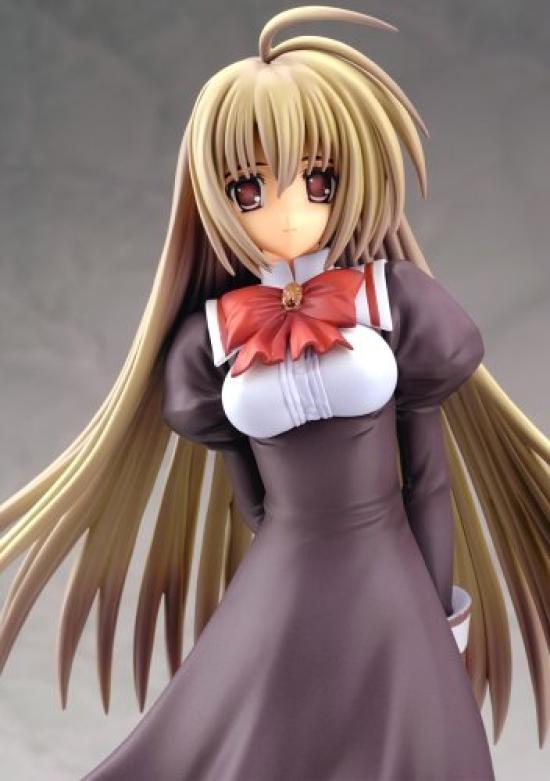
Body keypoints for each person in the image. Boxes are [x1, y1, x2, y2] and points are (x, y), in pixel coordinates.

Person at [0, 6, 548, 780]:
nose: (287, 210)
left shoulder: (392, 304)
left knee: (407, 741)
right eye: (249, 188)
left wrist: (439, 614)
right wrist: (279, 566)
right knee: (245, 735)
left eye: (316, 180)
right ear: (214, 197)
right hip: (283, 571)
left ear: (350, 178)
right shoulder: (212, 340)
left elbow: (428, 479)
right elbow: (249, 501)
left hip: (389, 573)